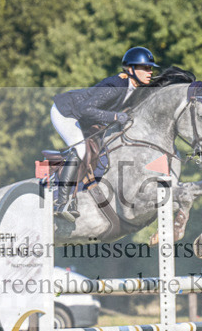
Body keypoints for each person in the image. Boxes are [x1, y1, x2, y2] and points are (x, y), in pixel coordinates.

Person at [49, 46, 159, 218]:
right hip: (67, 112)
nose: (149, 72)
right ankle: (61, 203)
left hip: (85, 117)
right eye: (145, 68)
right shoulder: (115, 85)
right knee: (81, 149)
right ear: (131, 69)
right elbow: (85, 109)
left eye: (150, 68)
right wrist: (115, 116)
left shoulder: (135, 89)